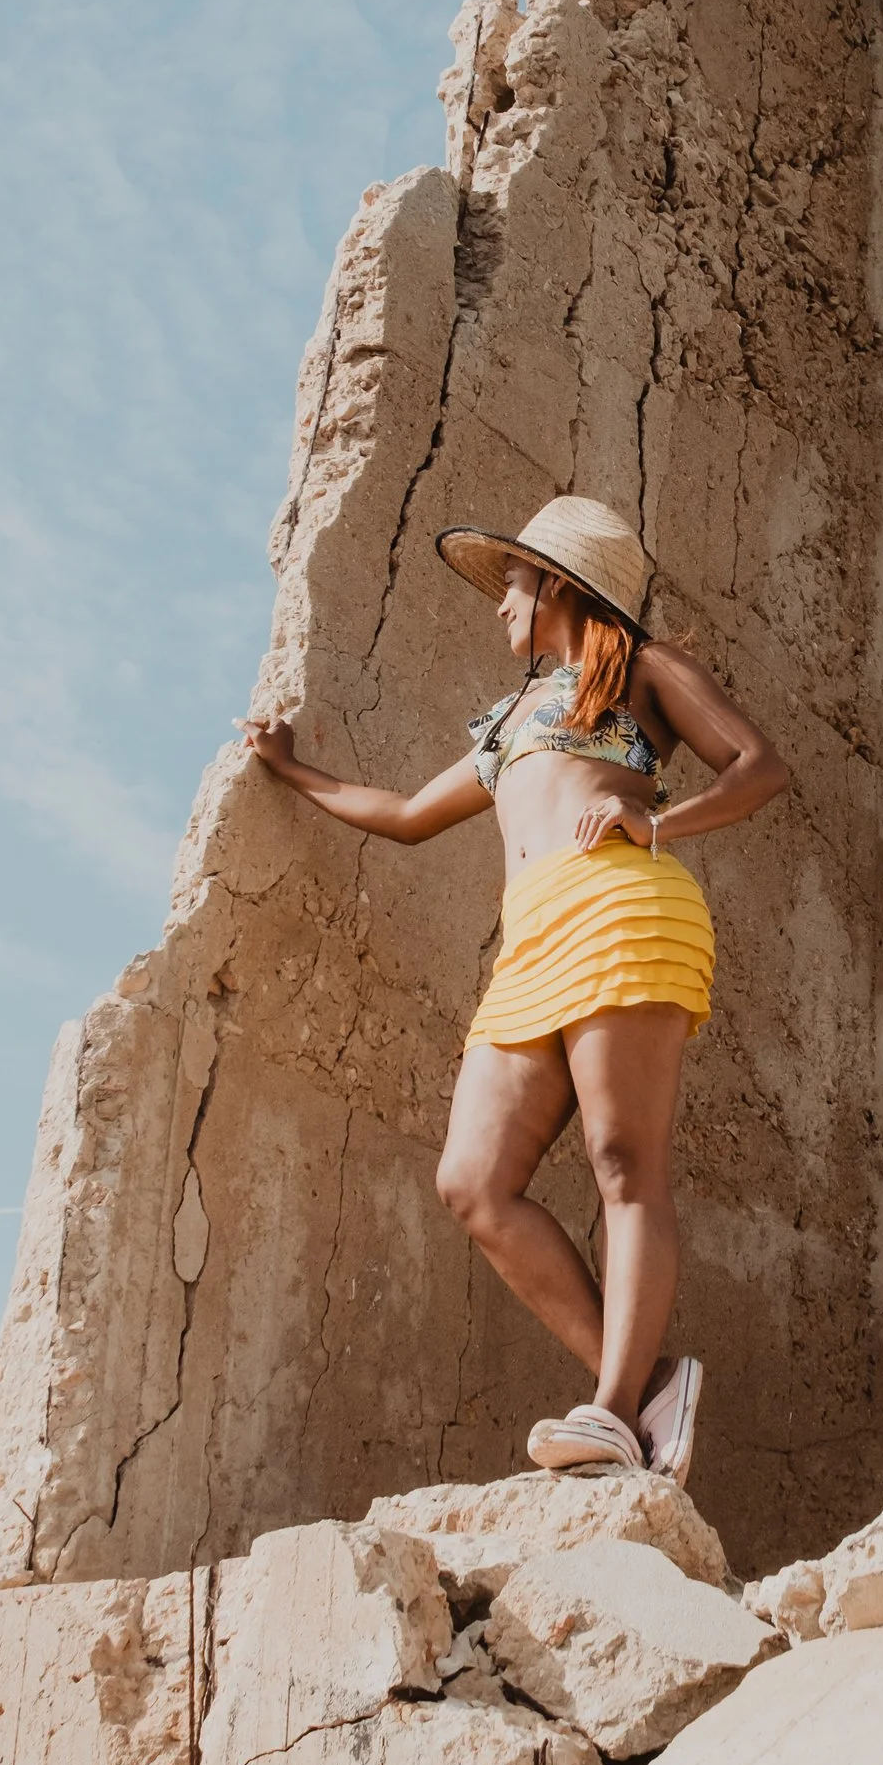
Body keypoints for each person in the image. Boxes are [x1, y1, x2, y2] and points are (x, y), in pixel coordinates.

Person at [242, 494, 785, 1482]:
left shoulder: (648, 672)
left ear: (562, 589)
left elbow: (759, 767)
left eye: (516, 584)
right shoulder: (510, 719)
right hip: (530, 945)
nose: (500, 604)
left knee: (623, 1160)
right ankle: (649, 1391)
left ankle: (611, 1409)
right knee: (474, 1183)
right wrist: (291, 770)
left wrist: (657, 825)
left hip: (623, 910)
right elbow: (408, 814)